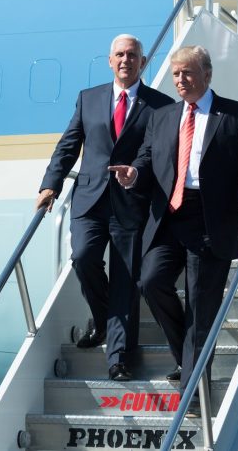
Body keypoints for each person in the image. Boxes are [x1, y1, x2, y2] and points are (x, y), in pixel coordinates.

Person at [109, 45, 238, 411]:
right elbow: (149, 158)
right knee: (150, 281)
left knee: (200, 306)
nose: (180, 80)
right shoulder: (163, 116)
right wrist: (135, 173)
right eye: (176, 74)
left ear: (206, 75)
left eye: (187, 73)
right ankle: (188, 355)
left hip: (210, 219)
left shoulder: (236, 115)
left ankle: (193, 393)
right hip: (169, 215)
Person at [36, 34, 173, 381]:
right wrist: (50, 184)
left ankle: (118, 358)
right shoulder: (89, 99)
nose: (125, 60)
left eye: (132, 55)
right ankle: (102, 321)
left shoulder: (161, 105)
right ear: (110, 61)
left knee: (126, 281)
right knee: (83, 258)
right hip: (90, 199)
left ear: (143, 63)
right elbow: (68, 144)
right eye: (119, 55)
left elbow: (157, 151)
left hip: (131, 203)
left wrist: (136, 172)